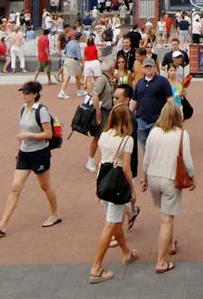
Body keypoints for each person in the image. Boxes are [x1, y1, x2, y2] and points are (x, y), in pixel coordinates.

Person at [0, 81, 60, 234]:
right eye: (23, 92)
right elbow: (22, 130)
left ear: (34, 94)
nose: (24, 95)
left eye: (27, 93)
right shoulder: (22, 109)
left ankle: (55, 214)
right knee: (15, 188)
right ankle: (3, 224)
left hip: (39, 154)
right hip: (25, 153)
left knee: (45, 186)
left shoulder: (41, 110)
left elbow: (48, 134)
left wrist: (29, 135)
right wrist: (19, 150)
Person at [87, 105, 139, 284]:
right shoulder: (127, 140)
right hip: (117, 183)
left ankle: (126, 252)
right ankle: (96, 267)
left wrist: (96, 184)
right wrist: (132, 190)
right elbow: (126, 167)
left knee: (114, 220)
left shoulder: (104, 135)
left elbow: (102, 160)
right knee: (110, 224)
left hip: (104, 178)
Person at [142, 101, 194, 274]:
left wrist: (144, 178)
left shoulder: (154, 132)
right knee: (167, 219)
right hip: (170, 178)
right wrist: (191, 177)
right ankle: (161, 261)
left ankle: (171, 242)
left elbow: (146, 157)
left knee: (164, 213)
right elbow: (187, 160)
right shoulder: (181, 134)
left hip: (153, 176)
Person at [131, 57, 173, 152]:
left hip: (157, 120)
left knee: (154, 143)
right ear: (143, 69)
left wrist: (170, 116)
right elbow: (134, 101)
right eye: (146, 67)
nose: (148, 69)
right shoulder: (139, 83)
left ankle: (155, 161)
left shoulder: (163, 81)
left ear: (155, 68)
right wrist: (129, 115)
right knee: (145, 146)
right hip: (141, 120)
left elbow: (170, 100)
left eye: (151, 66)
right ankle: (149, 162)